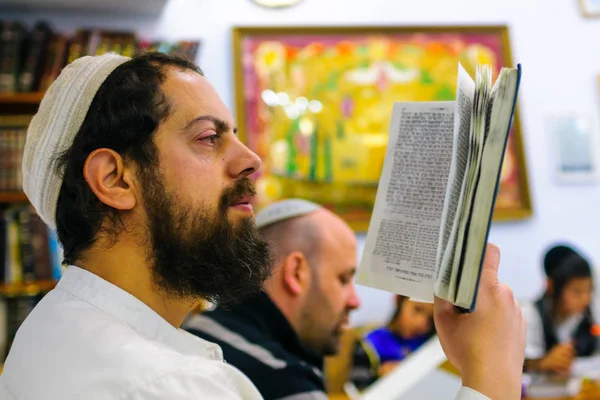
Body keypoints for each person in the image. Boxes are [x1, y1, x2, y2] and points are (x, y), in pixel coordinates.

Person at [0, 52, 526, 400]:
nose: (252, 160)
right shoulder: (172, 386)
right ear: (115, 179)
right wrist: (491, 375)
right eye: (208, 138)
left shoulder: (49, 327)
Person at [184, 198, 361, 399]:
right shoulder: (290, 386)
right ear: (296, 272)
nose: (355, 301)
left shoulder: (194, 332)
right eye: (344, 279)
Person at [523, 248, 600, 376]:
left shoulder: (590, 314)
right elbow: (518, 363)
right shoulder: (530, 315)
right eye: (577, 291)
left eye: (589, 290)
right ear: (551, 286)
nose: (585, 299)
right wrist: (540, 363)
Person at [349, 295, 435, 390]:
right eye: (417, 309)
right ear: (399, 300)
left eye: (431, 319)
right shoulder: (370, 343)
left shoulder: (431, 343)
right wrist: (379, 378)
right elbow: (357, 388)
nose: (421, 323)